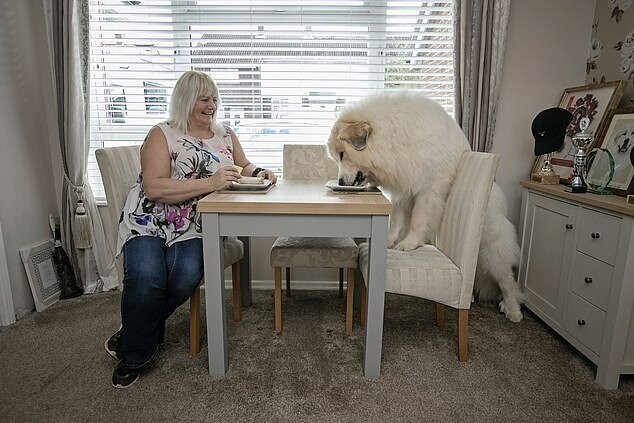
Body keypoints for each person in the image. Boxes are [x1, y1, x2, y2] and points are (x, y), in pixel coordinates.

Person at [104, 70, 276, 388]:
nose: (211, 106)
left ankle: (130, 333)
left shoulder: (225, 133)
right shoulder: (162, 134)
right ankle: (134, 355)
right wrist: (210, 182)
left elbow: (243, 165)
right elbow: (154, 188)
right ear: (186, 100)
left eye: (214, 99)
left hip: (195, 223)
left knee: (185, 276)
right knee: (147, 277)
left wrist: (262, 171)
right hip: (149, 220)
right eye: (204, 99)